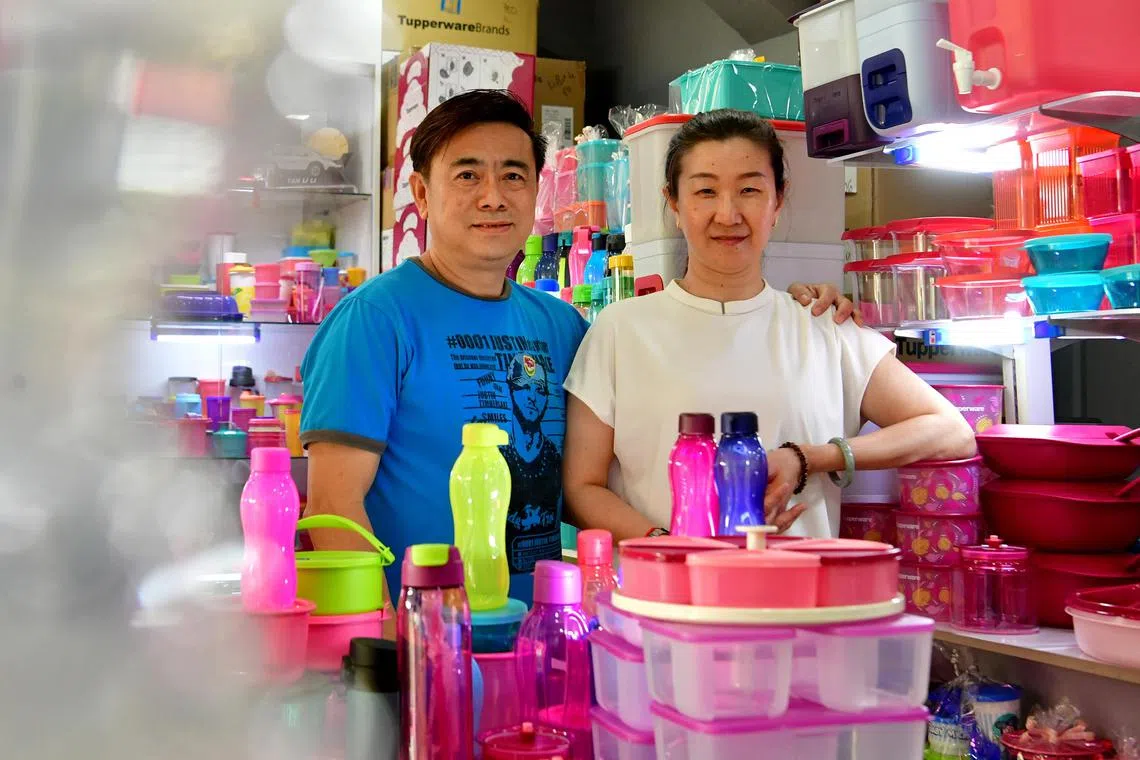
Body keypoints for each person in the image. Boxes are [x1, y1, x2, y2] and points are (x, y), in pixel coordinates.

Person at [299, 90, 860, 601]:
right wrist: (386, 647)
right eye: (467, 176)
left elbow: (580, 483)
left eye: (513, 176)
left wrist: (801, 305)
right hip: (421, 639)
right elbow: (332, 511)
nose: (493, 197)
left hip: (537, 631)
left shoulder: (560, 325)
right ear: (422, 192)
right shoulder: (375, 320)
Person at [562, 109, 976, 542]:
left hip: (800, 602)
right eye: (705, 190)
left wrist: (812, 457)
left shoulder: (823, 326)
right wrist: (673, 548)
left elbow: (951, 431)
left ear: (777, 201)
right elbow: (580, 488)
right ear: (675, 204)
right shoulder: (620, 330)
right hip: (661, 600)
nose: (727, 214)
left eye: (749, 190)